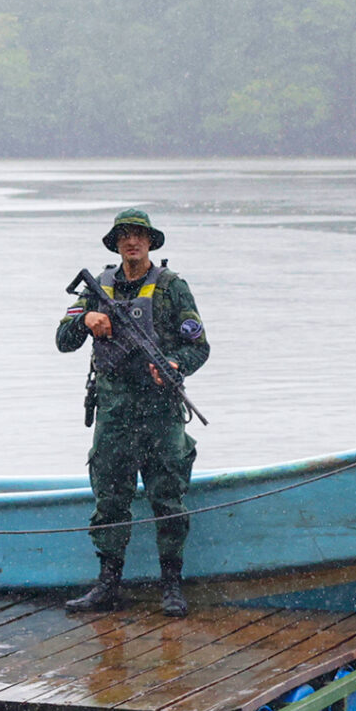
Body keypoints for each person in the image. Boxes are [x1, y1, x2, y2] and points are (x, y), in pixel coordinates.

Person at [54, 207, 210, 616]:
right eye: (124, 235)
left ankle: (172, 587)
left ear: (150, 242)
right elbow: (62, 340)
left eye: (138, 235)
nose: (132, 242)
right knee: (110, 500)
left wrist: (175, 365)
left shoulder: (173, 287)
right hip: (115, 414)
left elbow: (199, 346)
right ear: (117, 243)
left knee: (168, 499)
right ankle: (107, 586)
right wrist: (87, 319)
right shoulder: (96, 288)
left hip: (160, 413)